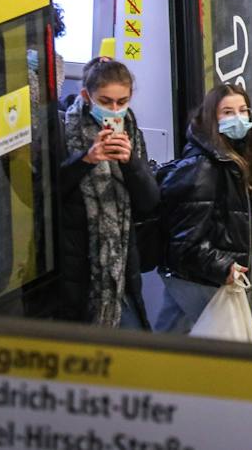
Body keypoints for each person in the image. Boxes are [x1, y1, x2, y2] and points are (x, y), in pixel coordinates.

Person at [154, 82, 252, 332]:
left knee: (169, 341)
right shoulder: (203, 168)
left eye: (243, 110)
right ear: (212, 117)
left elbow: (218, 218)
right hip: (199, 279)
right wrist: (223, 267)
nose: (238, 118)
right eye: (228, 112)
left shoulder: (230, 160)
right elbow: (185, 244)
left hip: (194, 277)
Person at [57, 58, 159, 328]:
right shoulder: (62, 128)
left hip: (121, 267)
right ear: (86, 96)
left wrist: (131, 163)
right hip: (76, 266)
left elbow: (149, 201)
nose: (114, 110)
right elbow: (48, 193)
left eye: (122, 102)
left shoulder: (132, 132)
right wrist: (85, 160)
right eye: (105, 101)